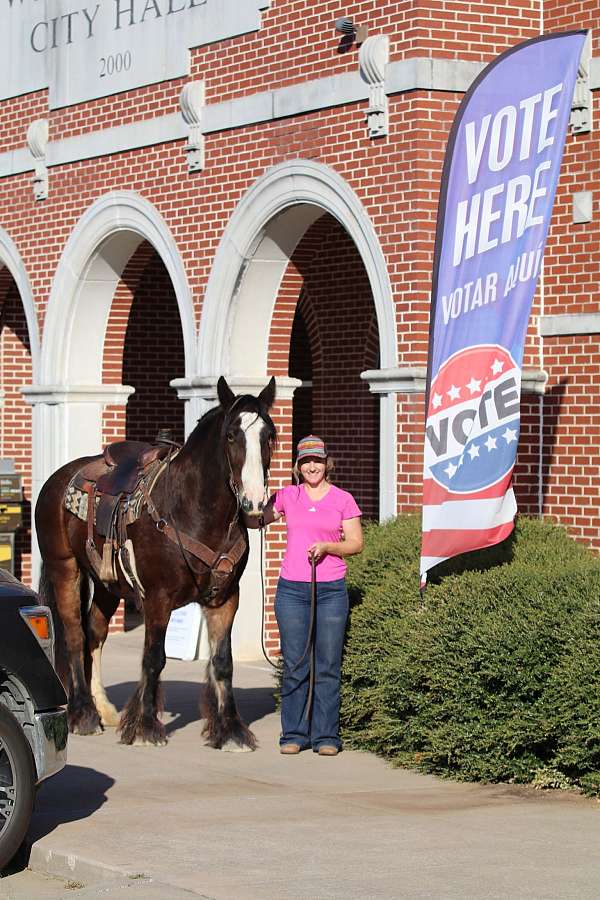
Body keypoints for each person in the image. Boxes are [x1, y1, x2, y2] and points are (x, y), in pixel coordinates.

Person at [259, 435, 363, 756]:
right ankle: (293, 733)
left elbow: (356, 543)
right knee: (295, 663)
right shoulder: (287, 496)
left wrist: (329, 547)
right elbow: (256, 520)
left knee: (328, 664)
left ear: (326, 462)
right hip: (292, 590)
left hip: (330, 590)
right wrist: (252, 499)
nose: (312, 466)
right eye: (306, 461)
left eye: (317, 460)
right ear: (298, 466)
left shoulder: (343, 499)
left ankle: (326, 736)